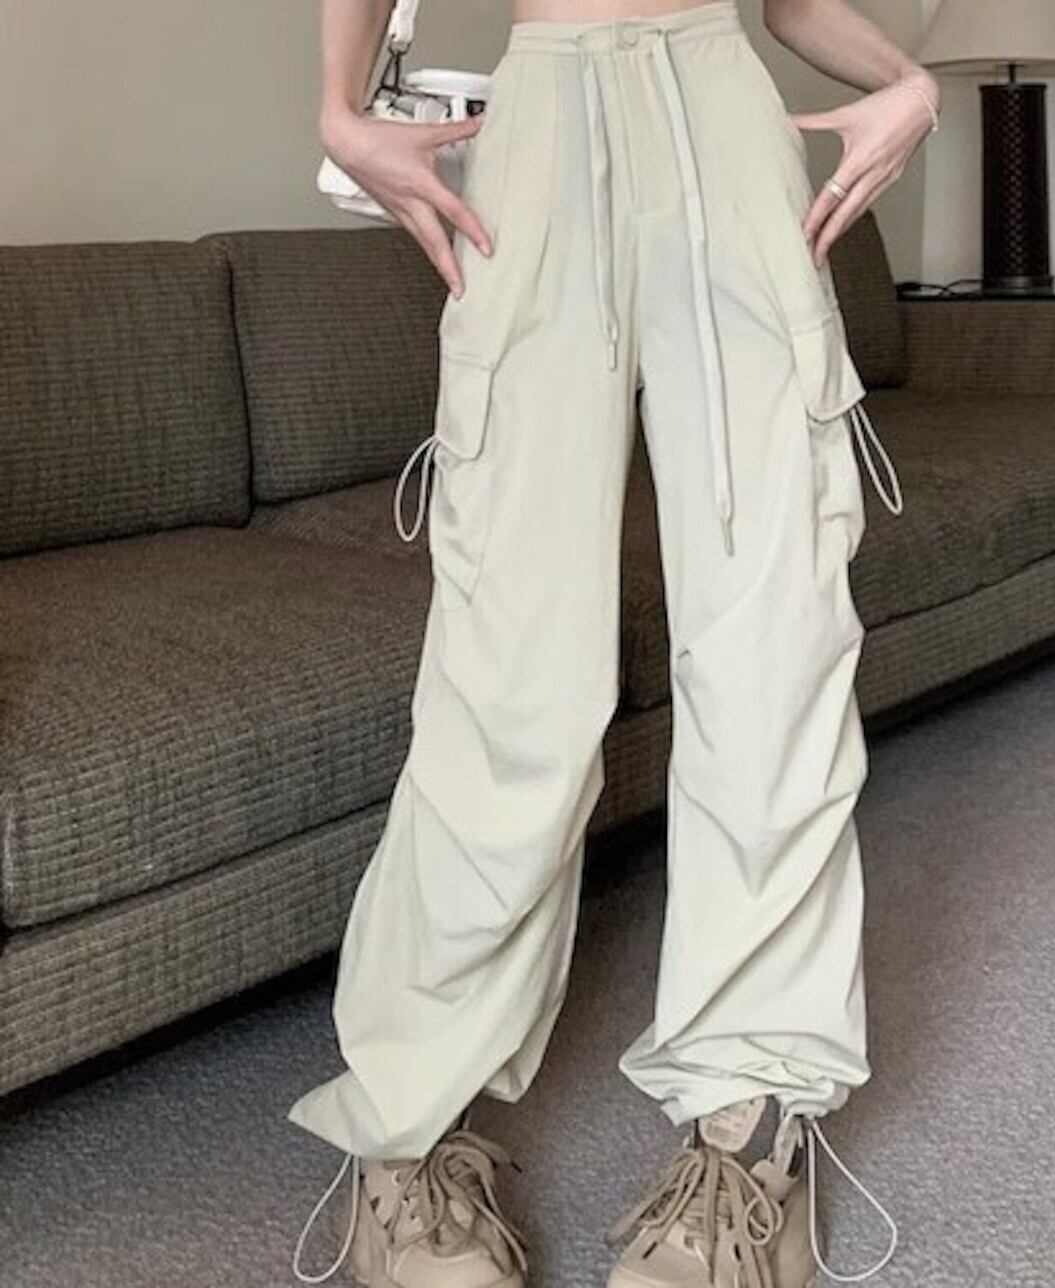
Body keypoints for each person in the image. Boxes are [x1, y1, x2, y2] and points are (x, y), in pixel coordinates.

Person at [290, 1, 937, 1284]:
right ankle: (409, 1126)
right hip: (536, 131)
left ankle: (750, 1135)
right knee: (508, 674)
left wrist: (908, 83)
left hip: (724, 115)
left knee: (772, 650)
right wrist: (335, 106)